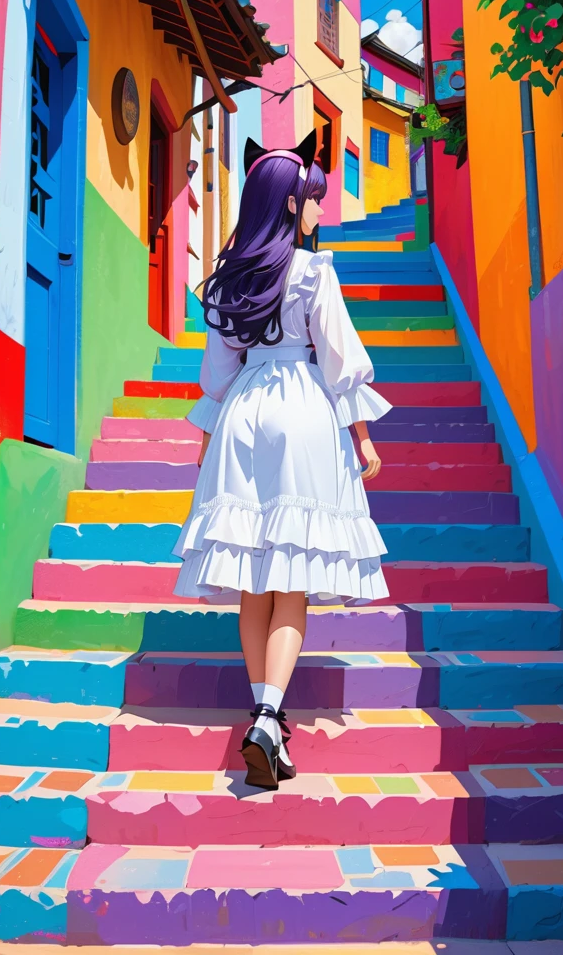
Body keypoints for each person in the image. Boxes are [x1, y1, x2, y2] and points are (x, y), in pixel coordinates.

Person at [173, 132, 391, 789]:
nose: (320, 211)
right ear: (291, 205)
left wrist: (208, 444)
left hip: (244, 411)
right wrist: (363, 439)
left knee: (253, 579)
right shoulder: (314, 272)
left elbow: (216, 374)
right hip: (301, 409)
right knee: (291, 574)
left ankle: (265, 712)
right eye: (313, 200)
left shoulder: (228, 279)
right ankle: (268, 718)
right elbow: (339, 359)